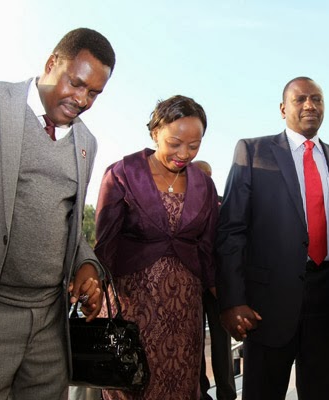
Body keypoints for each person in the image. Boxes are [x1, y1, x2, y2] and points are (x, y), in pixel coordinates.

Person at [216, 76, 329, 400]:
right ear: (282, 109)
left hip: (328, 299)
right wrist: (232, 300)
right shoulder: (252, 151)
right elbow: (231, 231)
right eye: (300, 99)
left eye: (316, 99)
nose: (310, 105)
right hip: (267, 304)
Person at [0, 27, 115, 399]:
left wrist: (87, 264)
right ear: (50, 64)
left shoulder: (86, 143)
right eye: (76, 84)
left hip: (50, 319)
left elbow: (67, 225)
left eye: (94, 93)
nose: (82, 100)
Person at [94, 95, 218, 399]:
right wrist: (94, 292)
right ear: (155, 133)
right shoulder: (122, 174)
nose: (184, 154)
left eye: (194, 146)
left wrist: (228, 298)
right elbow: (104, 245)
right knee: (131, 386)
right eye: (175, 143)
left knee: (181, 386)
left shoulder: (204, 185)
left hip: (185, 314)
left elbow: (208, 250)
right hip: (132, 310)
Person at [193, 160, 237, 400]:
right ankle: (200, 391)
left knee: (222, 342)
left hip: (218, 285)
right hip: (192, 286)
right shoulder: (184, 203)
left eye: (208, 175)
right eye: (200, 174)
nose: (205, 179)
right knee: (195, 342)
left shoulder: (223, 204)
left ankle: (227, 393)